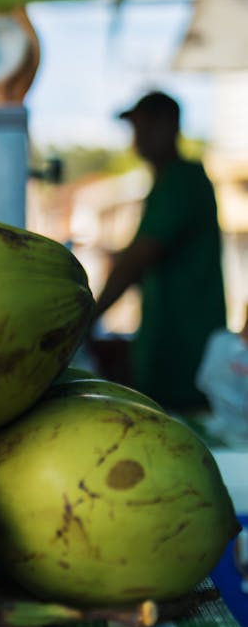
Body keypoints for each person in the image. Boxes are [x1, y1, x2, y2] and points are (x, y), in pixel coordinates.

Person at [93, 89, 226, 411]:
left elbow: (138, 259)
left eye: (143, 126)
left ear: (169, 126)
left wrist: (85, 318)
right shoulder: (166, 183)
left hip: (184, 352)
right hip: (168, 346)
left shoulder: (182, 180)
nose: (136, 137)